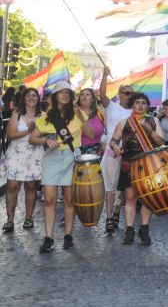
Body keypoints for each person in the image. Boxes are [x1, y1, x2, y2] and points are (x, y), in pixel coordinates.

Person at [29, 81, 90, 252]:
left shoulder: (78, 114)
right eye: (61, 92)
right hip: (52, 159)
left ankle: (68, 235)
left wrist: (82, 119)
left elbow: (92, 134)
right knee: (49, 200)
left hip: (71, 158)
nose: (64, 95)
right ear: (55, 96)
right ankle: (48, 238)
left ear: (71, 97)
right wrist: (45, 140)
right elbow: (32, 138)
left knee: (70, 199)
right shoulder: (46, 118)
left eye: (67, 93)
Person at [109, 93, 166, 246]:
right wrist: (115, 148)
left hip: (150, 163)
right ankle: (129, 230)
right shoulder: (125, 122)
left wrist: (150, 130)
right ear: (132, 105)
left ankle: (145, 229)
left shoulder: (153, 121)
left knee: (148, 198)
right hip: (130, 162)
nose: (140, 105)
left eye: (143, 103)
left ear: (147, 106)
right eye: (137, 103)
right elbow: (113, 141)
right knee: (130, 197)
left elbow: (161, 142)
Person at [1, 87, 44, 233]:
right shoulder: (17, 113)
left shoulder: (43, 116)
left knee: (31, 187)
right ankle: (10, 220)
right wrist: (28, 131)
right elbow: (10, 134)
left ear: (38, 99)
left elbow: (47, 135)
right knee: (12, 186)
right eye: (28, 96)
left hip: (35, 155)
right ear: (24, 99)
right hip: (16, 154)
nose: (31, 98)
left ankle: (28, 218)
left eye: (34, 96)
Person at [99, 67, 134, 235]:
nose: (129, 95)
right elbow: (102, 95)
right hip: (111, 152)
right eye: (125, 92)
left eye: (131, 93)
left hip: (128, 154)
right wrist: (105, 75)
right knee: (110, 186)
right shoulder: (112, 107)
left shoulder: (136, 112)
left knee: (124, 188)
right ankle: (108, 218)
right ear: (119, 94)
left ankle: (117, 214)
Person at [77, 88, 105, 155]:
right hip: (77, 151)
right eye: (82, 94)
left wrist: (104, 143)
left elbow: (106, 131)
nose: (84, 96)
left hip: (97, 151)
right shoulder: (74, 112)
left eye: (87, 94)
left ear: (92, 99)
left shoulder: (99, 112)